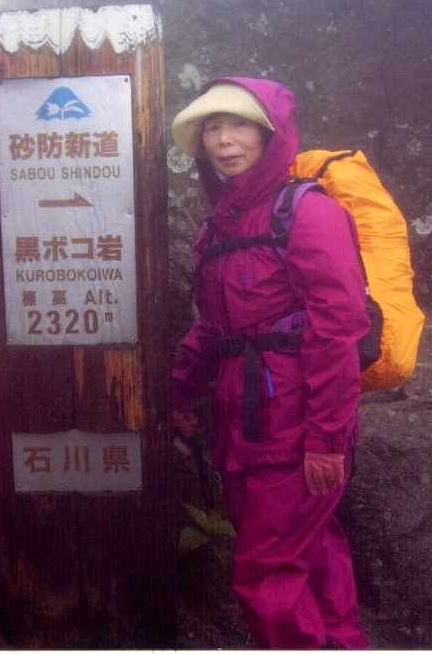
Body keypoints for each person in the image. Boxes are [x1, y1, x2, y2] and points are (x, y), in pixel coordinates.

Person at [169, 77, 371, 648]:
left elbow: (337, 330)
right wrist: (176, 393)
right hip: (243, 424)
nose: (224, 140)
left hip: (296, 425)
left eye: (239, 125)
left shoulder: (308, 213)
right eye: (212, 128)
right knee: (313, 550)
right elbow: (214, 326)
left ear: (270, 134)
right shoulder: (218, 226)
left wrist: (326, 439)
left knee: (266, 571)